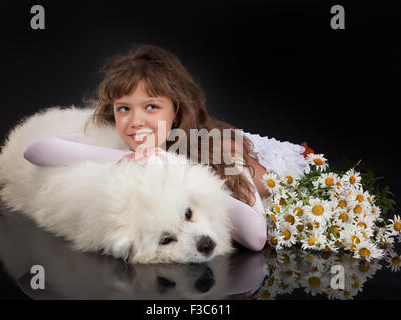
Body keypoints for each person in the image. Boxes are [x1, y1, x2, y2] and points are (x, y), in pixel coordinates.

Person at [23, 44, 311, 252]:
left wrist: (171, 164)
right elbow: (37, 150)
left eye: (151, 106)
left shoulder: (215, 147)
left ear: (175, 111)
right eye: (124, 108)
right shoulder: (121, 141)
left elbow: (255, 236)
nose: (135, 122)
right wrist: (127, 157)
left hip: (287, 174)